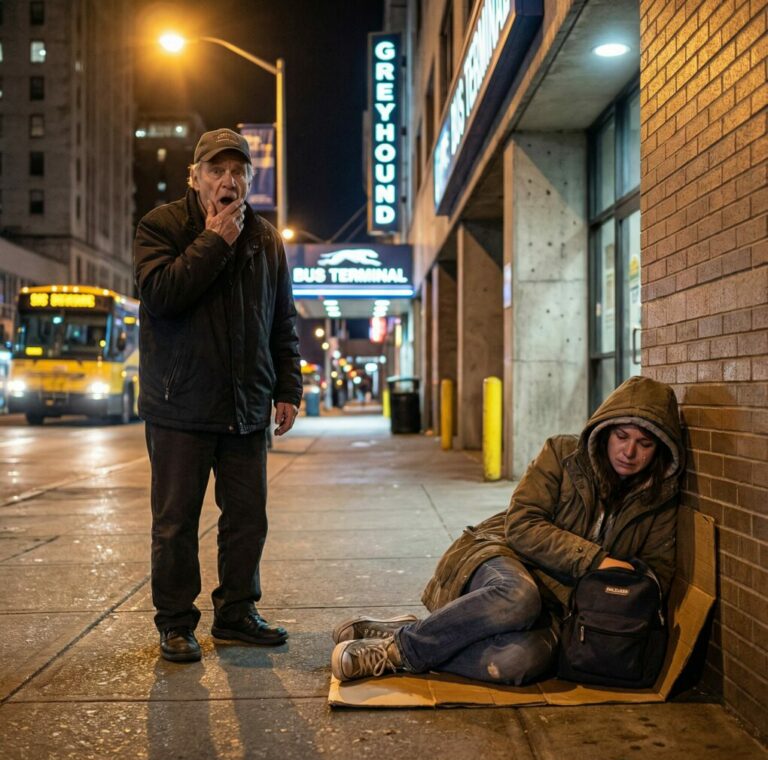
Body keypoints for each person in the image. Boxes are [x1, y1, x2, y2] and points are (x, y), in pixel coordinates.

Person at [331, 376, 684, 684]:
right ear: (605, 431)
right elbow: (522, 524)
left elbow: (656, 574)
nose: (629, 451)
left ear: (661, 450)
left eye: (645, 444)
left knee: (517, 663)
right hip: (503, 557)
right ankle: (398, 651)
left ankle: (410, 632)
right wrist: (597, 562)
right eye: (622, 436)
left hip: (564, 608)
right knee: (519, 597)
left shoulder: (658, 501)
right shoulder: (562, 453)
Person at [134, 128, 302, 663]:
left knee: (247, 519)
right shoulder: (161, 226)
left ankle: (236, 613)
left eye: (238, 172)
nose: (227, 180)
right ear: (196, 177)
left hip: (246, 407)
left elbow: (282, 321)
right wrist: (213, 241)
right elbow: (161, 297)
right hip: (179, 407)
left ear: (250, 179)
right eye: (215, 171)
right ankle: (176, 623)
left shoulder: (267, 239)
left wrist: (287, 387)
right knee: (176, 521)